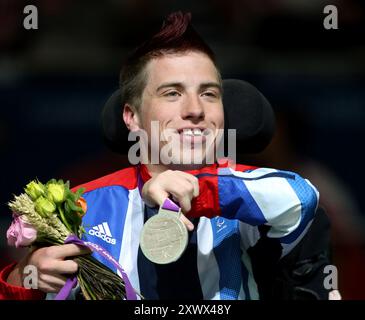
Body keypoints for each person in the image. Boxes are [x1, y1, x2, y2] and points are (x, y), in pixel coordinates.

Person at [1, 11, 324, 300]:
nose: (196, 110)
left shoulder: (251, 195)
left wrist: (198, 192)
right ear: (132, 117)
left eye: (209, 94)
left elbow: (303, 198)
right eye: (172, 93)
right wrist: (23, 280)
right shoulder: (84, 208)